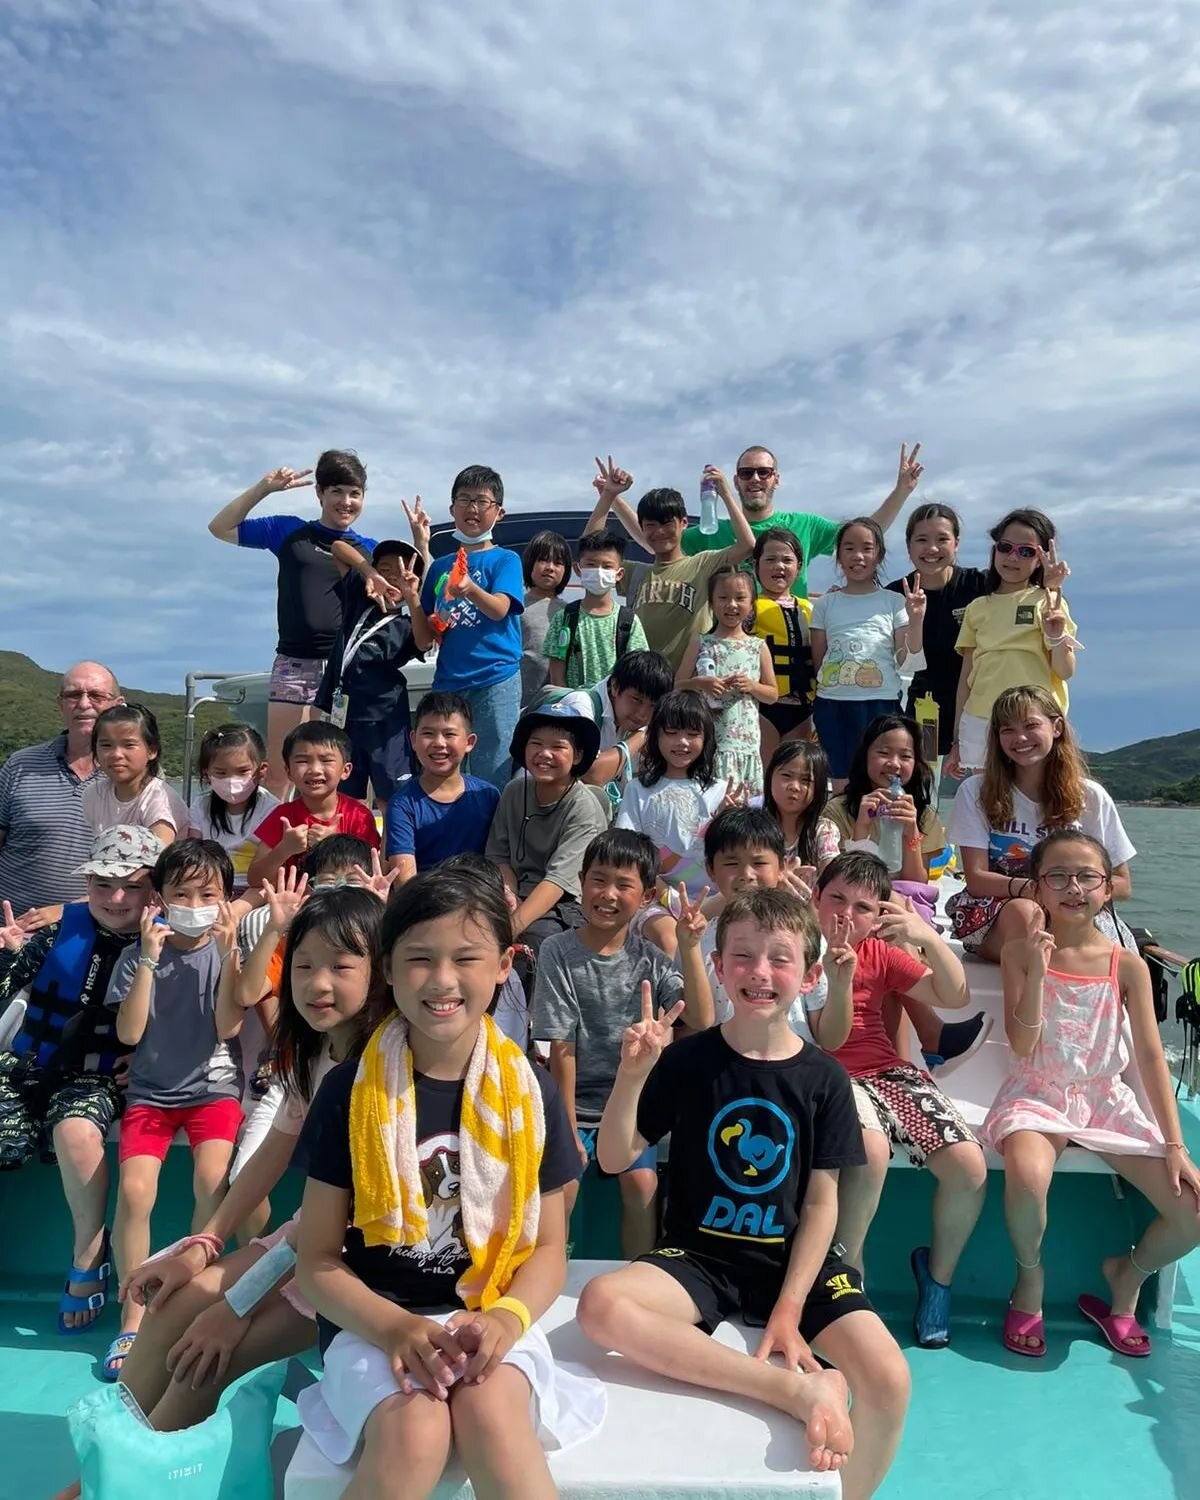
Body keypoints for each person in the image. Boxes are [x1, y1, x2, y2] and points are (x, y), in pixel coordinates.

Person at [578, 889, 912, 1500]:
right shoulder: (687, 1062)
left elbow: (820, 1205)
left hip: (795, 1263)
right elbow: (614, 1156)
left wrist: (788, 1312)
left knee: (889, 1375)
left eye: (779, 959)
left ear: (810, 975)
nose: (760, 972)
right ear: (718, 966)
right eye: (744, 956)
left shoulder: (824, 1080)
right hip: (699, 1257)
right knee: (601, 1306)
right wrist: (631, 1077)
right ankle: (797, 1390)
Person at [293, 867, 602, 1500]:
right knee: (416, 1428)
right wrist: (397, 1330)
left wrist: (508, 1322)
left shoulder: (532, 1094)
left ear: (504, 966)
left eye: (466, 958)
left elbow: (547, 1250)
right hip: (376, 1323)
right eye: (419, 958)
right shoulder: (348, 1093)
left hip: (493, 1314)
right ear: (386, 967)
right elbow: (317, 1263)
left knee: (491, 1412)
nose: (441, 980)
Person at [97, 890, 388, 1460]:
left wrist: (233, 1310)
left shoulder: (380, 1073)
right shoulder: (315, 1052)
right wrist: (202, 1244)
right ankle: (105, 1464)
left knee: (204, 1357)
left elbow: (343, 1222)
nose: (316, 983)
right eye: (302, 965)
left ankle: (141, 1478)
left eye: (340, 966)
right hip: (307, 1242)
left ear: (383, 972)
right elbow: (272, 1155)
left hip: (362, 1264)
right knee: (169, 1307)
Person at [984, 831, 1200, 1360]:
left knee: (1192, 1212)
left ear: (1108, 888)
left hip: (1105, 1098)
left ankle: (1126, 1279)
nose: (1073, 887)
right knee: (1029, 1176)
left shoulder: (1126, 964)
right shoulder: (1017, 952)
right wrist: (1036, 970)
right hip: (1038, 1091)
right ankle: (1029, 1279)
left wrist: (1175, 1144)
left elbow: (1149, 1055)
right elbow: (1023, 1042)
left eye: (1087, 877)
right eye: (1057, 876)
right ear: (1037, 887)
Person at [812, 854, 986, 1346]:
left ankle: (938, 1281)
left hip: (887, 1071)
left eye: (863, 908)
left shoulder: (882, 955)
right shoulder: (797, 949)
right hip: (827, 1075)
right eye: (836, 899)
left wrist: (926, 937)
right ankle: (849, 1275)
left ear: (879, 917)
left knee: (969, 1167)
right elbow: (825, 1040)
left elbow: (953, 996)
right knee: (868, 1153)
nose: (846, 915)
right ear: (815, 898)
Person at [0, 826, 159, 1335]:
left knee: (75, 1130)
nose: (116, 898)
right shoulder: (52, 934)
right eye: (103, 883)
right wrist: (6, 954)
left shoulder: (170, 946)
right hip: (24, 1067)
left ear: (154, 890)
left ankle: (89, 1256)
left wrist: (150, 1055)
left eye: (132, 886)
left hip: (95, 1078)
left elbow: (193, 1022)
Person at [101, 839, 245, 1379]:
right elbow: (130, 1032)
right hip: (151, 1096)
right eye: (180, 892)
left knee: (212, 1182)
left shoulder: (230, 950)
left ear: (225, 898)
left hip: (214, 1094)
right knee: (136, 1192)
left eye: (207, 893)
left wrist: (232, 952)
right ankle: (132, 1316)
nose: (194, 902)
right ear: (158, 899)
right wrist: (147, 959)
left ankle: (190, 1302)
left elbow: (230, 1026)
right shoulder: (138, 956)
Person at [532, 830, 702, 1259]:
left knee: (643, 1185)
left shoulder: (651, 960)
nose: (608, 894)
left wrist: (689, 947)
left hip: (629, 1107)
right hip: (571, 1102)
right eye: (598, 879)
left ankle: (637, 1273)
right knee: (563, 1187)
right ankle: (551, 1270)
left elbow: (700, 1018)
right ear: (581, 881)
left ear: (645, 896)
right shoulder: (557, 950)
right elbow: (562, 1046)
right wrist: (568, 1128)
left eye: (623, 885)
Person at [207, 453, 376, 797]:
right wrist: (264, 489)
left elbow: (409, 589)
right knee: (281, 772)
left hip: (344, 670)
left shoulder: (370, 551)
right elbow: (220, 528)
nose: (346, 502)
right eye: (338, 491)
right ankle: (274, 847)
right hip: (294, 664)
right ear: (320, 493)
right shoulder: (290, 531)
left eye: (354, 493)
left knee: (335, 772)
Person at [947, 685, 1137, 960]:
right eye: (1007, 729)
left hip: (1075, 909)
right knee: (1028, 915)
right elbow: (977, 879)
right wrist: (1036, 891)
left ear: (1056, 727)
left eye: (1030, 725)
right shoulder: (976, 791)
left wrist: (1066, 892)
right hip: (1001, 911)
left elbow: (1122, 884)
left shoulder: (1092, 797)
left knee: (1108, 951)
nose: (1020, 737)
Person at [675, 442, 924, 598]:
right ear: (736, 481)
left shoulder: (806, 525)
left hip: (789, 645)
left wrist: (902, 490)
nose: (755, 478)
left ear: (776, 479)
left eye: (764, 472)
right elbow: (655, 541)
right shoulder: (711, 530)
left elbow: (866, 535)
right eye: (746, 472)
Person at [410, 464, 525, 789]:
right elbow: (424, 639)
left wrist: (470, 589)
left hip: (496, 680)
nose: (472, 508)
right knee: (442, 771)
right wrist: (411, 596)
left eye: (482, 501)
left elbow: (501, 609)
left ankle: (491, 840)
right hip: (449, 682)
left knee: (493, 772)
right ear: (452, 509)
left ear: (498, 512)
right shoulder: (440, 567)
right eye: (464, 500)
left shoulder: (506, 560)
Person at [586, 458, 755, 669]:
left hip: (689, 688)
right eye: (650, 525)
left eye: (667, 523)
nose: (659, 531)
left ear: (684, 523)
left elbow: (748, 545)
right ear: (642, 527)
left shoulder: (703, 564)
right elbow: (589, 551)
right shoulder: (634, 573)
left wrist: (725, 493)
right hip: (642, 685)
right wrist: (609, 495)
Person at [947, 507, 1075, 777]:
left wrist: (1055, 633)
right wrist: (957, 739)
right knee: (986, 805)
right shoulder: (977, 608)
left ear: (1041, 558)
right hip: (982, 720)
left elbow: (1065, 671)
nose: (1013, 557)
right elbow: (965, 679)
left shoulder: (1049, 602)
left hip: (1034, 721)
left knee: (1037, 800)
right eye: (1005, 547)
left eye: (1026, 551)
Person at [0, 660, 121, 925]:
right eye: (74, 695)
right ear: (60, 704)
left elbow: (145, 872)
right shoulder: (20, 765)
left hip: (89, 933)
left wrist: (68, 911)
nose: (84, 703)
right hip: (10, 930)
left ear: (117, 705)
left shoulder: (136, 779)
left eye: (97, 695)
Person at [810, 519, 925, 791]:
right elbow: (819, 660)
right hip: (833, 704)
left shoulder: (894, 601)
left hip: (880, 704)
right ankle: (842, 833)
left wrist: (916, 620)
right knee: (840, 780)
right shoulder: (826, 603)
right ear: (838, 556)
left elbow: (908, 660)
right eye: (848, 548)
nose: (857, 556)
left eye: (867, 548)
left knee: (883, 779)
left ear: (879, 555)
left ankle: (881, 832)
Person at [485, 702, 609, 950]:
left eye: (557, 746)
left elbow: (557, 882)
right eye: (536, 744)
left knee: (538, 939)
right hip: (514, 891)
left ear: (578, 755)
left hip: (564, 903)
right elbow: (499, 855)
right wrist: (509, 894)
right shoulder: (514, 790)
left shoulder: (584, 808)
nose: (545, 753)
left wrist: (511, 928)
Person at [315, 539, 425, 803]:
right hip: (345, 718)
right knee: (344, 795)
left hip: (385, 720)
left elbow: (425, 642)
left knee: (392, 796)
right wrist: (368, 573)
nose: (392, 578)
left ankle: (395, 846)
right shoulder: (357, 598)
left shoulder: (407, 623)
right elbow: (339, 548)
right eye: (385, 569)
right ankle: (348, 845)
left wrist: (412, 598)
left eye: (400, 574)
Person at [698, 807, 827, 1025]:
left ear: (782, 866)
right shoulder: (700, 940)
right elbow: (698, 1021)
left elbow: (826, 1030)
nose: (746, 875)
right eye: (731, 863)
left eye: (759, 863)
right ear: (710, 869)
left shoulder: (805, 934)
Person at [885, 503, 988, 757]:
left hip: (978, 705)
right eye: (922, 540)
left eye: (942, 539)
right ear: (909, 547)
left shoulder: (980, 585)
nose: (932, 549)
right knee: (926, 781)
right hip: (923, 707)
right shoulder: (894, 595)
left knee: (980, 786)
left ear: (957, 543)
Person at [614, 689, 729, 901]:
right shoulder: (637, 789)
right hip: (655, 898)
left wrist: (731, 820)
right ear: (656, 735)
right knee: (666, 935)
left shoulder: (722, 791)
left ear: (707, 738)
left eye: (693, 734)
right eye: (672, 732)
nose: (682, 742)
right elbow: (628, 851)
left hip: (714, 901)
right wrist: (670, 900)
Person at [677, 565, 777, 796]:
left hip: (745, 744)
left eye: (740, 598)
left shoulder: (758, 646)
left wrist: (751, 686)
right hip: (708, 740)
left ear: (751, 604)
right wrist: (700, 683)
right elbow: (677, 684)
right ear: (711, 603)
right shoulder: (701, 642)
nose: (731, 605)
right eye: (723, 598)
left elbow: (772, 694)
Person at [246, 722, 380, 887]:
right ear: (288, 771)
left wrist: (334, 843)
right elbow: (255, 879)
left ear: (345, 770)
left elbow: (374, 872)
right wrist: (284, 849)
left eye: (326, 760)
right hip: (294, 903)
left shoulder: (359, 815)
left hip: (346, 902)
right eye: (303, 761)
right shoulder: (282, 817)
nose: (315, 769)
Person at [384, 692, 501, 882]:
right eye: (428, 734)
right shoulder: (401, 804)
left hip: (480, 896)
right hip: (427, 900)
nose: (439, 743)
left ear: (469, 742)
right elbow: (405, 881)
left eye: (449, 734)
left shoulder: (489, 795)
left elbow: (500, 859)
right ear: (413, 740)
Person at [825, 714, 947, 882]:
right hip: (856, 897)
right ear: (865, 755)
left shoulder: (924, 815)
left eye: (905, 756)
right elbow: (843, 881)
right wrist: (862, 828)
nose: (894, 764)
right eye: (884, 753)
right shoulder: (837, 810)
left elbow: (917, 884)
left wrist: (911, 832)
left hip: (903, 902)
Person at [545, 529, 648, 689]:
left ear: (619, 574)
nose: (599, 572)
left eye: (607, 566)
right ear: (578, 569)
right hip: (573, 708)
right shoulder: (564, 617)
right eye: (591, 565)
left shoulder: (629, 621)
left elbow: (637, 674)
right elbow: (556, 676)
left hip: (614, 710)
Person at [187, 723, 279, 893]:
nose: (231, 781)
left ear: (261, 770)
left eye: (242, 771)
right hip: (210, 888)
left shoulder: (272, 809)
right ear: (206, 773)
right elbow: (194, 854)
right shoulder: (200, 806)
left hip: (255, 889)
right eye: (221, 773)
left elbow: (269, 874)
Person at [751, 527, 817, 761]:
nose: (779, 566)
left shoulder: (810, 610)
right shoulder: (748, 609)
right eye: (770, 559)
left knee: (793, 772)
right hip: (762, 708)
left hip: (802, 708)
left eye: (787, 560)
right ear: (756, 565)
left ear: (799, 566)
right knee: (765, 776)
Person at [82, 703, 189, 846]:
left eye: (129, 745)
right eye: (106, 745)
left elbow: (154, 861)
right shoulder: (93, 794)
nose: (116, 754)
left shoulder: (160, 800)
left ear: (151, 751)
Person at [762, 740, 840, 870]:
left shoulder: (822, 830)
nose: (794, 787)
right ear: (770, 777)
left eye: (806, 780)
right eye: (786, 776)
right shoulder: (755, 827)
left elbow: (831, 871)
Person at [520, 530, 571, 704]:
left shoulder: (571, 611)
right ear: (529, 563)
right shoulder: (515, 606)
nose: (550, 567)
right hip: (521, 702)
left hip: (558, 701)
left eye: (558, 562)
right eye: (542, 560)